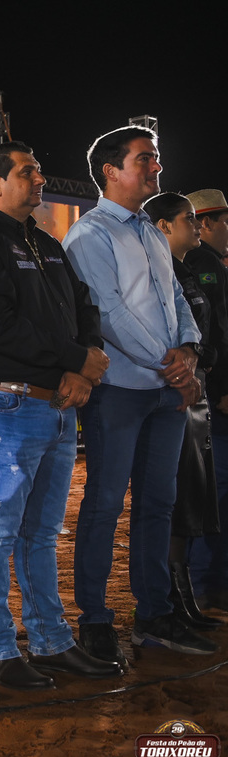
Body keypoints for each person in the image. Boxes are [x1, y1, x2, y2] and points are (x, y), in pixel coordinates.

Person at [0, 142, 120, 691]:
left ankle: (51, 642)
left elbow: (84, 308)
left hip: (59, 403)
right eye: (28, 171)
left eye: (40, 169)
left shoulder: (45, 242)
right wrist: (75, 360)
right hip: (11, 404)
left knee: (41, 533)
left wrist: (82, 367)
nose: (40, 178)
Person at [62, 126, 216, 663]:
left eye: (155, 157)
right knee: (104, 505)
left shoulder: (150, 231)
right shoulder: (89, 234)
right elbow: (108, 314)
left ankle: (154, 616)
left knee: (159, 504)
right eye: (145, 159)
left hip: (161, 390)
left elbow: (175, 297)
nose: (156, 167)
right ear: (110, 170)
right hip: (120, 391)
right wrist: (172, 364)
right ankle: (95, 620)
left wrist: (188, 350)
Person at [143, 192, 225, 631]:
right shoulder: (162, 271)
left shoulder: (185, 270)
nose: (196, 227)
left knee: (190, 496)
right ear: (164, 226)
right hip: (174, 390)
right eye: (188, 219)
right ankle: (169, 598)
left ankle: (182, 594)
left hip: (194, 389)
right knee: (172, 498)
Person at [184, 189, 228, 612]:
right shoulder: (205, 265)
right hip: (213, 398)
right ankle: (205, 583)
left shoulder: (208, 264)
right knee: (213, 491)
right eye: (225, 221)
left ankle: (209, 583)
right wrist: (222, 387)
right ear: (207, 222)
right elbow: (214, 332)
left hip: (209, 392)